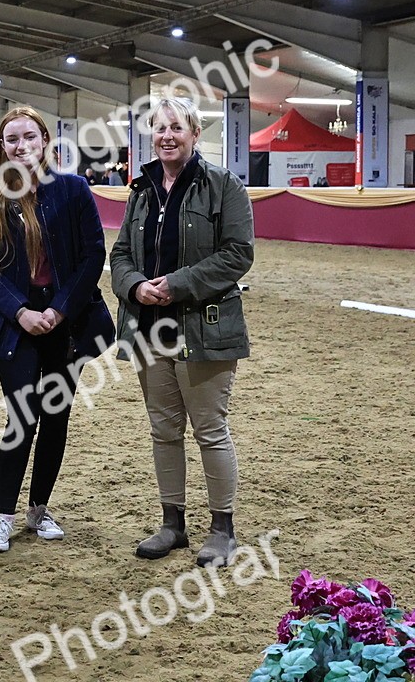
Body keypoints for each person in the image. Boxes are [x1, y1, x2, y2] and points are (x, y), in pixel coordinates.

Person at [109, 97, 254, 568]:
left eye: (177, 127)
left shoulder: (223, 186)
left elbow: (238, 254)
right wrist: (134, 287)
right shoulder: (142, 189)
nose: (167, 136)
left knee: (210, 430)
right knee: (163, 430)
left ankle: (222, 529)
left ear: (194, 133)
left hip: (204, 328)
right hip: (149, 327)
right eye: (159, 128)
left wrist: (177, 284)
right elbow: (120, 256)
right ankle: (172, 523)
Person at [0, 106, 113, 552]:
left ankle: (38, 509)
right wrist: (20, 312)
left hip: (65, 323)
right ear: (3, 147)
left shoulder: (73, 190)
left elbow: (94, 255)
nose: (21, 145)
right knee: (22, 416)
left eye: (29, 137)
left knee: (56, 417)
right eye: (11, 139)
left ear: (44, 142)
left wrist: (59, 309)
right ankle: (2, 517)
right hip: (16, 326)